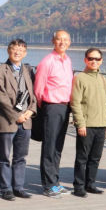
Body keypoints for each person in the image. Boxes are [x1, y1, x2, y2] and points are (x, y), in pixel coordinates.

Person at [0, 39, 37, 201]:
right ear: (8, 51)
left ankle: (18, 187)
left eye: (21, 50)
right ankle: (6, 189)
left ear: (25, 53)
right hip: (8, 120)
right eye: (14, 49)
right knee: (4, 157)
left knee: (21, 157)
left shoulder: (28, 70)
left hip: (26, 120)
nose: (17, 52)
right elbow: (0, 97)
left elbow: (33, 94)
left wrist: (31, 111)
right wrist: (16, 115)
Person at [34, 30, 74, 198]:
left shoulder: (68, 60)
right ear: (53, 41)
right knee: (49, 146)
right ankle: (48, 185)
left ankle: (55, 181)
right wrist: (44, 108)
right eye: (59, 39)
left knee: (58, 146)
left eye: (65, 39)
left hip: (65, 107)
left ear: (69, 42)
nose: (62, 42)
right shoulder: (47, 61)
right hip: (51, 106)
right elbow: (38, 89)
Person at [70, 48, 106, 198]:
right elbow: (75, 103)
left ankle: (90, 184)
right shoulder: (80, 78)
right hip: (87, 125)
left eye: (97, 59)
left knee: (95, 157)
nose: (94, 61)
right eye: (91, 58)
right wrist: (80, 124)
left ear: (101, 61)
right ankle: (79, 186)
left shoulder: (102, 79)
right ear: (85, 60)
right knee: (82, 157)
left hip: (101, 124)